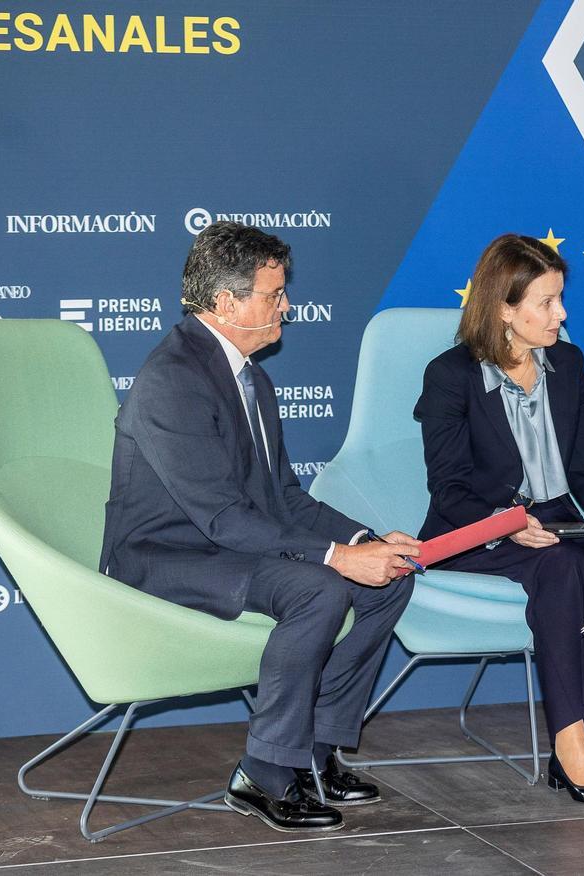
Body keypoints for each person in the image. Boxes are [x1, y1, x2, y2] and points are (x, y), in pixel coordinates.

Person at [100, 221, 421, 832]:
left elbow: (284, 499)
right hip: (164, 557)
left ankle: (317, 751)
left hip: (228, 548)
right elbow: (222, 517)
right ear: (226, 303)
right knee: (320, 587)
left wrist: (363, 541)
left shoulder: (253, 379)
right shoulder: (173, 378)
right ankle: (265, 771)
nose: (287, 306)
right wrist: (332, 559)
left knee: (390, 579)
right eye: (274, 295)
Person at [413, 233, 584, 804]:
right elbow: (448, 491)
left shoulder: (567, 363)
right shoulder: (450, 376)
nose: (562, 314)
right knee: (564, 568)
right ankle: (570, 747)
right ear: (503, 310)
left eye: (560, 298)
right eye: (546, 302)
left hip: (555, 518)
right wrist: (508, 521)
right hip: (475, 527)